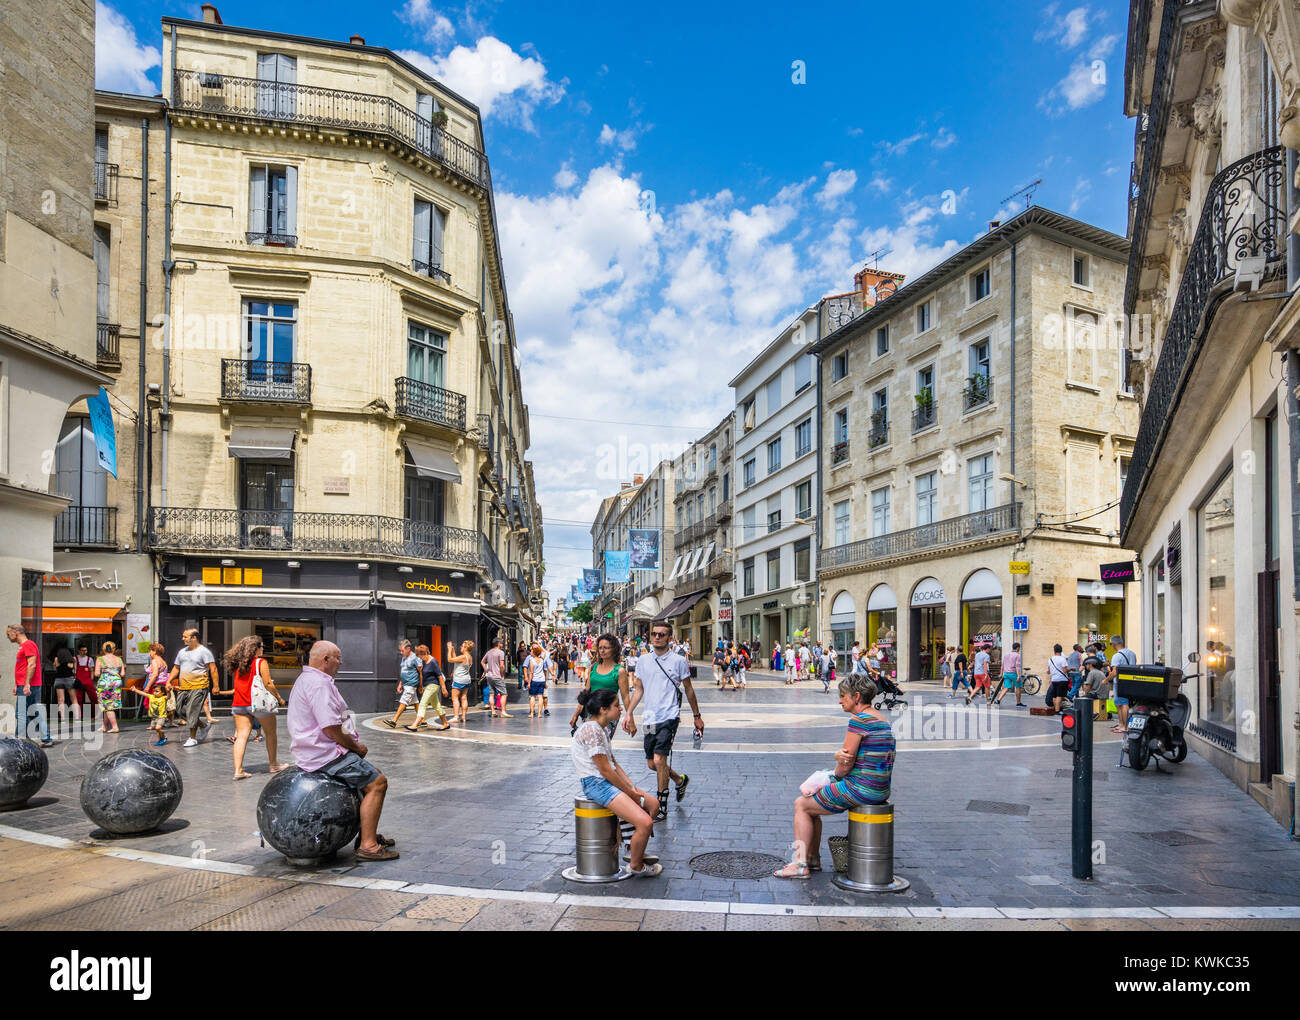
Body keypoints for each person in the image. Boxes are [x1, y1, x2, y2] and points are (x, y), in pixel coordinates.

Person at [774, 674, 895, 878]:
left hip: (861, 789)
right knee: (813, 806)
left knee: (802, 804)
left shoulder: (859, 721)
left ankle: (800, 865)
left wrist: (835, 764)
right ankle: (811, 858)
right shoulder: (882, 719)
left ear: (856, 696)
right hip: (880, 789)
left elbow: (844, 766)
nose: (840, 700)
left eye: (842, 696)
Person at [287, 640, 397, 861]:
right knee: (377, 783)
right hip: (324, 754)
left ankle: (366, 833)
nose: (341, 661)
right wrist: (355, 747)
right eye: (338, 657)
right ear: (325, 659)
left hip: (318, 752)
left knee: (371, 773)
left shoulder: (308, 679)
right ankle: (368, 846)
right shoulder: (318, 684)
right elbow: (331, 728)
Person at [572, 688, 661, 876]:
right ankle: (636, 866)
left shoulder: (601, 729)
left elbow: (613, 764)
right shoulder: (591, 730)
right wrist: (630, 794)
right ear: (603, 709)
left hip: (607, 781)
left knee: (653, 804)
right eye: (616, 706)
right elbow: (604, 770)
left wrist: (630, 787)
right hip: (596, 784)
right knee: (645, 823)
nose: (621, 709)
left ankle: (632, 847)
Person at [625, 622, 703, 821]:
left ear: (669, 638)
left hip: (669, 717)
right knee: (652, 764)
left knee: (660, 760)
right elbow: (639, 689)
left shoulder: (678, 661)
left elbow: (688, 689)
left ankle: (661, 807)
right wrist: (629, 713)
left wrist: (697, 716)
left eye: (662, 634)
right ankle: (679, 779)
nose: (657, 637)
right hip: (649, 718)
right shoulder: (643, 661)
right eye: (654, 634)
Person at [222, 635, 287, 779]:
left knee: (241, 737)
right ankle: (273, 764)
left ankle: (238, 770)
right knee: (270, 733)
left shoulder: (239, 664)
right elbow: (268, 684)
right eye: (261, 646)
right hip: (258, 704)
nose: (263, 649)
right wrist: (279, 698)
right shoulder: (260, 662)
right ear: (255, 649)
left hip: (239, 704)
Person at [568, 633, 630, 735]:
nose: (602, 650)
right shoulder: (593, 667)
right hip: (591, 711)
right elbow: (586, 693)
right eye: (600, 648)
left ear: (613, 649)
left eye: (606, 648)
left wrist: (629, 717)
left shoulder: (619, 671)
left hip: (609, 713)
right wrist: (576, 714)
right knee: (591, 744)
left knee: (601, 742)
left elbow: (626, 697)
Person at [169, 628, 217, 747]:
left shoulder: (204, 652)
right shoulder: (182, 652)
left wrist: (216, 686)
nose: (183, 639)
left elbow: (213, 669)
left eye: (185, 637)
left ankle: (192, 738)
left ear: (193, 638)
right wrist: (169, 681)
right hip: (184, 686)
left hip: (199, 686)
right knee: (180, 710)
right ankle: (204, 726)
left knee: (192, 711)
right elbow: (176, 668)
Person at [7, 624, 51, 746]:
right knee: (33, 712)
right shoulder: (23, 646)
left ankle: (19, 741)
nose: (8, 636)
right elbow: (22, 667)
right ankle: (46, 738)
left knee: (21, 713)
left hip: (28, 685)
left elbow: (32, 665)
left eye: (8, 634)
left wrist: (26, 684)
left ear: (16, 632)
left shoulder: (28, 645)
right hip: (24, 685)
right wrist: (17, 684)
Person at [380, 640, 422, 729]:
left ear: (408, 649)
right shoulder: (404, 658)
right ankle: (423, 721)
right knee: (415, 702)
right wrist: (400, 684)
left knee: (404, 701)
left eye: (402, 651)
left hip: (411, 683)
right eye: (400, 651)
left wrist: (421, 686)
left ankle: (394, 721)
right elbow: (403, 671)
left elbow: (421, 672)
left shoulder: (415, 658)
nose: (401, 652)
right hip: (405, 684)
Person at [93, 640, 126, 735]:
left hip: (105, 684)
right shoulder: (119, 659)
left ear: (103, 649)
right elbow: (122, 674)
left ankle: (115, 726)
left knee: (108, 706)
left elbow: (97, 673)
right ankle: (104, 726)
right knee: (108, 706)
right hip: (116, 683)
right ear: (114, 649)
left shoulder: (100, 659)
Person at [1107, 634, 1137, 735]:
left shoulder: (1116, 656)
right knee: (1120, 704)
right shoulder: (1132, 653)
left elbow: (1114, 672)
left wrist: (1106, 680)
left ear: (1114, 644)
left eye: (1111, 644)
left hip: (1120, 683)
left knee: (1123, 704)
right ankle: (1121, 725)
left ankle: (1124, 726)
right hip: (1131, 681)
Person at [479, 636, 510, 718]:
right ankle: (503, 711)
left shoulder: (489, 652)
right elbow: (502, 665)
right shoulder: (501, 652)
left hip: (489, 676)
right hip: (497, 676)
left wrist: (486, 670)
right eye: (502, 643)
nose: (502, 644)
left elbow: (482, 661)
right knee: (504, 694)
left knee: (491, 694)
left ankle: (493, 711)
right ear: (499, 644)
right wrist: (502, 674)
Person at [446, 640, 475, 724]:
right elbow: (456, 660)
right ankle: (463, 717)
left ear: (465, 648)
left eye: (462, 646)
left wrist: (449, 649)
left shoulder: (463, 657)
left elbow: (450, 659)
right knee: (464, 697)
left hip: (459, 679)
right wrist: (453, 650)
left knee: (455, 698)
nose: (460, 647)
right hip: (466, 680)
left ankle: (455, 717)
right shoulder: (469, 657)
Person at [50, 644, 77, 727]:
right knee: (74, 700)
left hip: (59, 680)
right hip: (70, 679)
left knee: (61, 700)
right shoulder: (73, 659)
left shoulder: (56, 659)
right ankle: (77, 719)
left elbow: (55, 669)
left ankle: (63, 719)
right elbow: (74, 671)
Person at [523, 642, 552, 717]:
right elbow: (545, 651)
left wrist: (529, 683)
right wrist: (539, 646)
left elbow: (531, 673)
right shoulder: (542, 659)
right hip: (542, 680)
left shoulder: (531, 660)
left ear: (534, 652)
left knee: (532, 696)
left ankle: (532, 713)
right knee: (540, 697)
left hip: (534, 680)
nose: (531, 652)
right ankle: (539, 714)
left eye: (532, 651)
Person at [993, 642, 1025, 707]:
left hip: (1006, 674)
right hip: (1013, 674)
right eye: (1019, 648)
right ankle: (1018, 703)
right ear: (1018, 648)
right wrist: (1018, 675)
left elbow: (1003, 665)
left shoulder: (1006, 654)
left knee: (1006, 688)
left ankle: (998, 700)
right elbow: (1017, 666)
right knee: (1018, 687)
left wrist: (1001, 673)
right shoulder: (1017, 655)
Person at [1046, 643, 1072, 713]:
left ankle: (1056, 709)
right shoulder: (1062, 659)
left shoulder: (1050, 659)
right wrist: (1071, 669)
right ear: (1061, 651)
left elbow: (1048, 671)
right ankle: (1057, 711)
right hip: (1062, 680)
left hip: (1054, 680)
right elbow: (1065, 670)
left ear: (1054, 651)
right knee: (1059, 696)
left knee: (1054, 696)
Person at [74, 643, 96, 711]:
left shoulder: (90, 659)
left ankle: (95, 714)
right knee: (78, 698)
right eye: (82, 650)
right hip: (78, 680)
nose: (84, 652)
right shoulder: (75, 659)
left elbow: (92, 670)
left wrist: (91, 679)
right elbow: (74, 670)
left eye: (85, 650)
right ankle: (79, 715)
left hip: (88, 680)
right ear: (79, 651)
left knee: (93, 697)